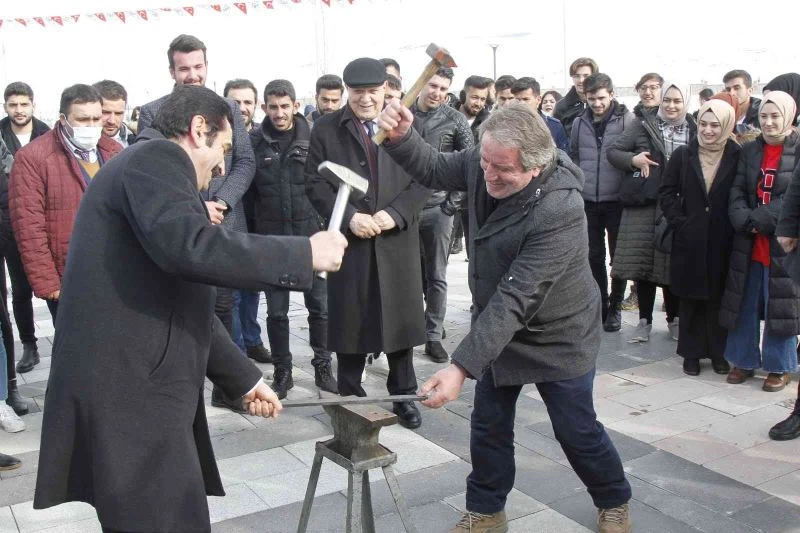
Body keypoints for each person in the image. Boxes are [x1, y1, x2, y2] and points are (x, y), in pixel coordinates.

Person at [33, 85, 348, 532]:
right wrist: (304, 254)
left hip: (138, 390)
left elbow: (183, 295)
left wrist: (244, 379)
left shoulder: (149, 167)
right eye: (223, 149)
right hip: (130, 398)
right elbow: (194, 248)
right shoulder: (154, 159)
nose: (221, 167)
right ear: (199, 129)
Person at [378, 101, 632, 533]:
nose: (488, 175)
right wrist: (404, 137)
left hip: (559, 333)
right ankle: (486, 511)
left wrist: (460, 367)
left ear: (536, 167)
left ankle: (613, 499)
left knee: (575, 429)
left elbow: (518, 296)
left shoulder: (561, 208)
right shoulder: (489, 157)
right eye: (485, 163)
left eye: (503, 170)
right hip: (498, 328)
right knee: (489, 425)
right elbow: (436, 167)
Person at [306, 57, 430, 429]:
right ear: (347, 91)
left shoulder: (407, 123)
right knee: (351, 321)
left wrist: (396, 213)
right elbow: (314, 183)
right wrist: (349, 217)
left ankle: (404, 395)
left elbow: (424, 177)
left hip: (396, 239)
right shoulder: (326, 128)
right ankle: (350, 399)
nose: (365, 99)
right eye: (357, 92)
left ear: (385, 90)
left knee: (400, 322)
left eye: (372, 92)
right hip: (352, 242)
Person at [137, 34, 257, 411]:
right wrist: (196, 205)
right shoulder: (153, 112)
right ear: (171, 70)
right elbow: (154, 172)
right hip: (181, 224)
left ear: (207, 65)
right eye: (183, 68)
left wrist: (221, 200)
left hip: (225, 220)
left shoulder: (228, 109)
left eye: (198, 66)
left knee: (224, 305)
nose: (192, 74)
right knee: (181, 306)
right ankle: (180, 386)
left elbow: (244, 162)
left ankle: (229, 387)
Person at [247, 79, 337, 398]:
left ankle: (323, 367)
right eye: (273, 107)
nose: (279, 113)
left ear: (296, 106)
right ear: (264, 108)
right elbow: (249, 194)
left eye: (285, 106)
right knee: (276, 313)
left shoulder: (313, 139)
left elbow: (328, 187)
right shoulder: (254, 142)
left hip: (310, 240)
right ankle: (282, 372)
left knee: (320, 308)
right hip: (272, 243)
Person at [10, 84, 122, 323]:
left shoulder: (114, 152)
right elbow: (28, 226)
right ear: (63, 119)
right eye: (82, 120)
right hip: (68, 277)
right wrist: (48, 283)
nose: (91, 126)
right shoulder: (33, 158)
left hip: (113, 272)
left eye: (96, 119)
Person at [719, 91, 800, 392]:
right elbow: (738, 189)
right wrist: (744, 219)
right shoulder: (750, 150)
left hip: (783, 242)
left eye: (775, 116)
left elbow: (792, 196)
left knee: (780, 305)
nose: (768, 122)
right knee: (744, 300)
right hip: (750, 241)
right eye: (764, 116)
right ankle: (743, 359)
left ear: (789, 116)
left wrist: (761, 219)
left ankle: (779, 366)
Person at [607, 82, 693, 343]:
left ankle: (674, 318)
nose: (671, 105)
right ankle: (644, 320)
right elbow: (614, 151)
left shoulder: (694, 127)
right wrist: (633, 160)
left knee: (670, 262)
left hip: (677, 204)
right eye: (667, 100)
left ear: (686, 102)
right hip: (645, 203)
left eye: (677, 101)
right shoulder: (644, 124)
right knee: (643, 264)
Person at [660, 99, 740, 376]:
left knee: (718, 295)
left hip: (723, 238)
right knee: (690, 297)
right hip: (690, 238)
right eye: (703, 124)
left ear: (726, 126)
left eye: (715, 125)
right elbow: (666, 192)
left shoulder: (736, 155)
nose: (708, 130)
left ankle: (719, 352)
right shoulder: (683, 155)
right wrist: (680, 222)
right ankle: (691, 353)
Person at [410, 67, 473, 363]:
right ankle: (410, 328)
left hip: (439, 209)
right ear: (422, 83)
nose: (437, 93)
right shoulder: (404, 114)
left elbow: (470, 163)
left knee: (437, 275)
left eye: (443, 88)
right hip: (404, 210)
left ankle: (433, 335)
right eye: (433, 85)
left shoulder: (455, 120)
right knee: (408, 275)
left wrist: (452, 203)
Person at [569, 73, 635, 332]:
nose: (597, 103)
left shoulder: (627, 120)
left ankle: (616, 305)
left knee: (618, 258)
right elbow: (575, 155)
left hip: (617, 200)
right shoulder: (579, 122)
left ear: (611, 95)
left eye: (601, 98)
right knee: (593, 255)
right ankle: (601, 304)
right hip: (588, 201)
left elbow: (633, 154)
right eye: (592, 98)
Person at [0, 81, 49, 377]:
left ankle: (64, 342)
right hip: (7, 222)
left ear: (32, 104)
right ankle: (29, 345)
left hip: (41, 220)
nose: (19, 110)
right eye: (13, 105)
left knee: (52, 285)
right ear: (6, 106)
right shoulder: (0, 134)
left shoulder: (46, 133)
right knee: (20, 289)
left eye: (24, 104)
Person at [510, 76, 570, 152]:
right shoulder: (508, 126)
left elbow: (564, 156)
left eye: (526, 99)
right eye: (517, 100)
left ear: (538, 99)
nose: (521, 104)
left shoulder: (554, 126)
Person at [554, 56, 599, 138]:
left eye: (586, 76)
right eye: (577, 76)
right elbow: (556, 138)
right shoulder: (561, 106)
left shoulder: (605, 104)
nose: (581, 80)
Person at [92, 80, 136, 148]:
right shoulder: (81, 146)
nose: (112, 121)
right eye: (105, 112)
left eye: (118, 113)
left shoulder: (137, 140)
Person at [723, 69, 761, 136]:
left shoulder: (761, 114)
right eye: (728, 89)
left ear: (749, 90)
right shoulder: (723, 113)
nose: (732, 93)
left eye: (737, 88)